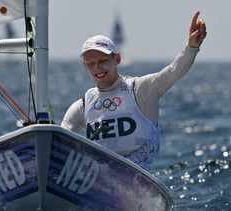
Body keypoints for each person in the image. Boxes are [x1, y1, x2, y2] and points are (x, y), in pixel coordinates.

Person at [61, 11, 207, 171]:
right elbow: (60, 140)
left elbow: (173, 72)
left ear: (117, 59)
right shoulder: (83, 105)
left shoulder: (139, 90)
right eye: (91, 64)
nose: (97, 68)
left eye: (103, 61)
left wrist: (192, 47)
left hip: (139, 180)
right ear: (85, 66)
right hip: (99, 180)